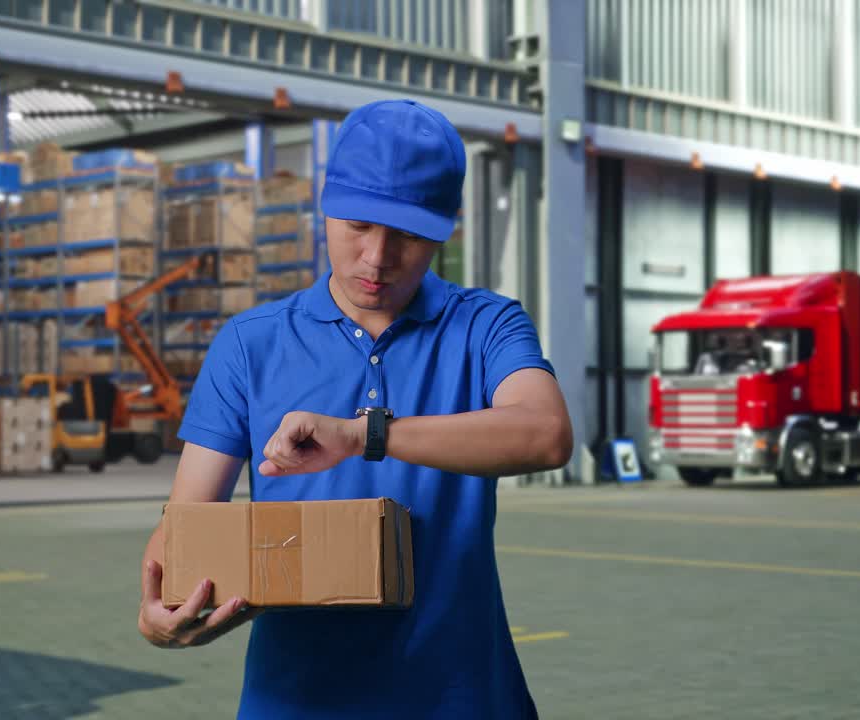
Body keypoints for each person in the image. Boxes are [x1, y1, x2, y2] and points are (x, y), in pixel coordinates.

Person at [137, 99, 574, 719]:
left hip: (462, 698)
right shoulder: (250, 343)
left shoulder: (486, 325)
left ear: (447, 228)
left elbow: (546, 433)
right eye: (358, 225)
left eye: (409, 234)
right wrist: (158, 607)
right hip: (297, 701)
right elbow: (187, 519)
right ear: (326, 207)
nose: (377, 257)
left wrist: (364, 435)